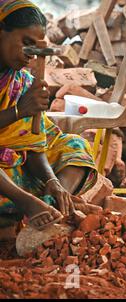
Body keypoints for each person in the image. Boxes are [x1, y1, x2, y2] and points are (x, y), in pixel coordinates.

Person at [0, 0, 97, 231]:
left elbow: (35, 145)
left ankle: (52, 202)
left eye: (35, 48)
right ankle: (28, 204)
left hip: (11, 169)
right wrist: (19, 111)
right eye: (26, 43)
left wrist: (52, 180)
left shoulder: (22, 82)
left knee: (75, 145)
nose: (29, 56)